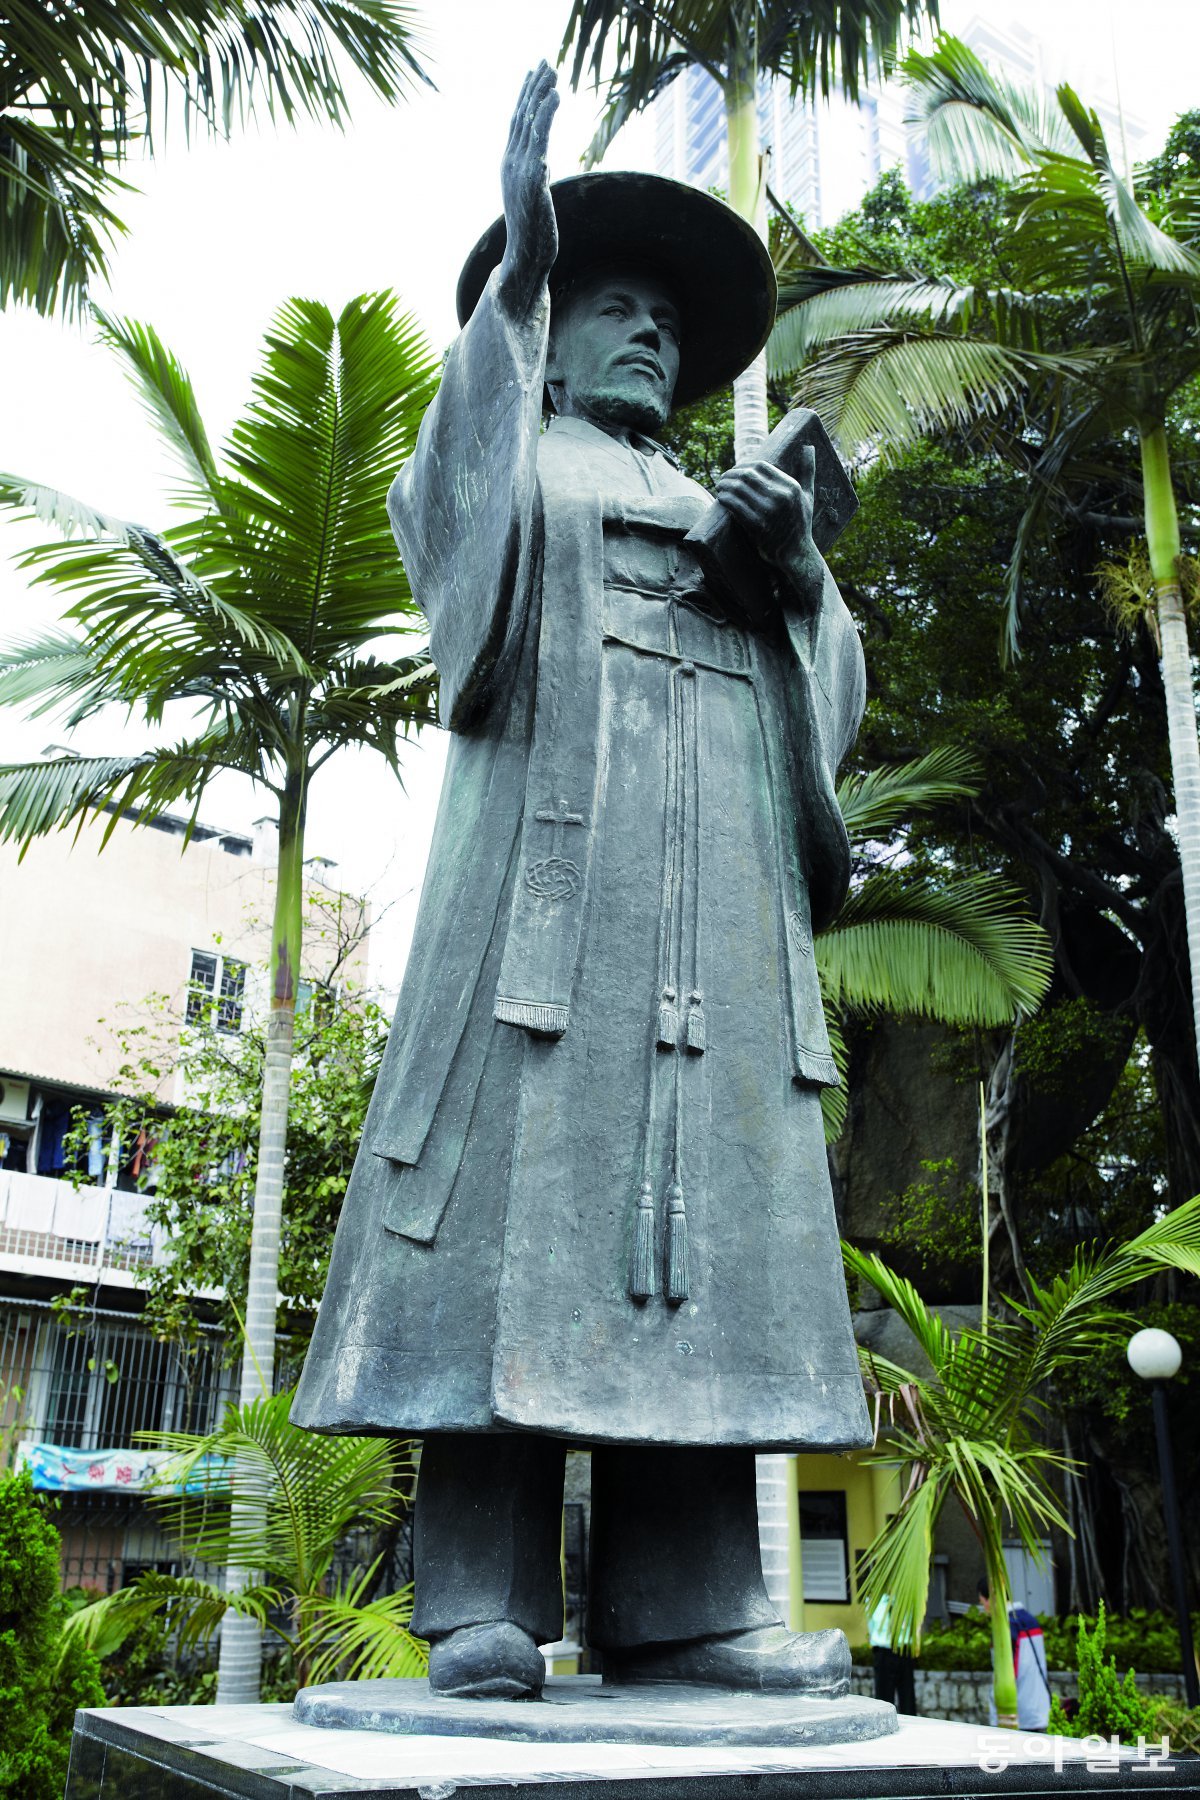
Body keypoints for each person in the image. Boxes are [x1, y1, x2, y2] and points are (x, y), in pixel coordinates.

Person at [292, 62, 870, 1701]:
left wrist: (798, 571)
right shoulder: (519, 465)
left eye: (664, 327)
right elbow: (449, 529)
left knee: (711, 1240)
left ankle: (685, 1603)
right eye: (613, 309)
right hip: (542, 923)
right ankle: (481, 1598)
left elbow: (828, 711)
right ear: (553, 323)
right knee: (503, 1224)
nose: (649, 340)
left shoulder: (720, 505)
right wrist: (521, 282)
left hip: (713, 943)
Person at [978, 1576, 1052, 1730]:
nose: (984, 1608)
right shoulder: (1030, 1620)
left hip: (1017, 1713)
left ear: (990, 1598)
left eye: (982, 1602)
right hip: (1038, 1707)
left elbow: (1007, 1670)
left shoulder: (1007, 1626)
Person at [868, 1593, 917, 1715]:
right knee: (883, 1699)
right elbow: (871, 1626)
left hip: (904, 1652)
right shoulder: (874, 1600)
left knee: (907, 1698)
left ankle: (911, 1730)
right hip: (883, 1652)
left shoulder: (908, 1599)